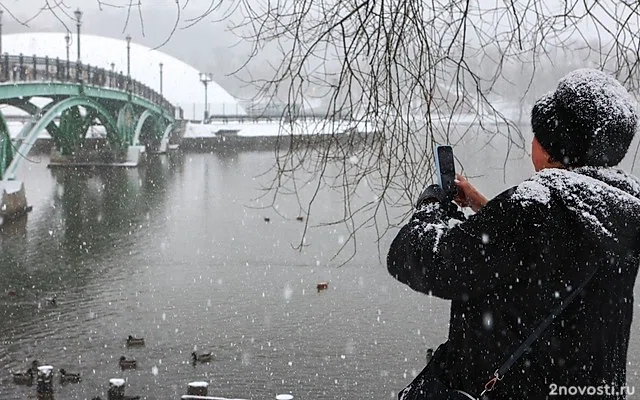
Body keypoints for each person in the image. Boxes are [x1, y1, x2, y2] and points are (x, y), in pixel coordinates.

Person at [387, 68, 640, 399]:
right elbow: (560, 251)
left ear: (552, 150)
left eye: (538, 135)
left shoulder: (532, 209)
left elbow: (424, 259)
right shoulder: (621, 209)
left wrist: (431, 208)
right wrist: (487, 208)